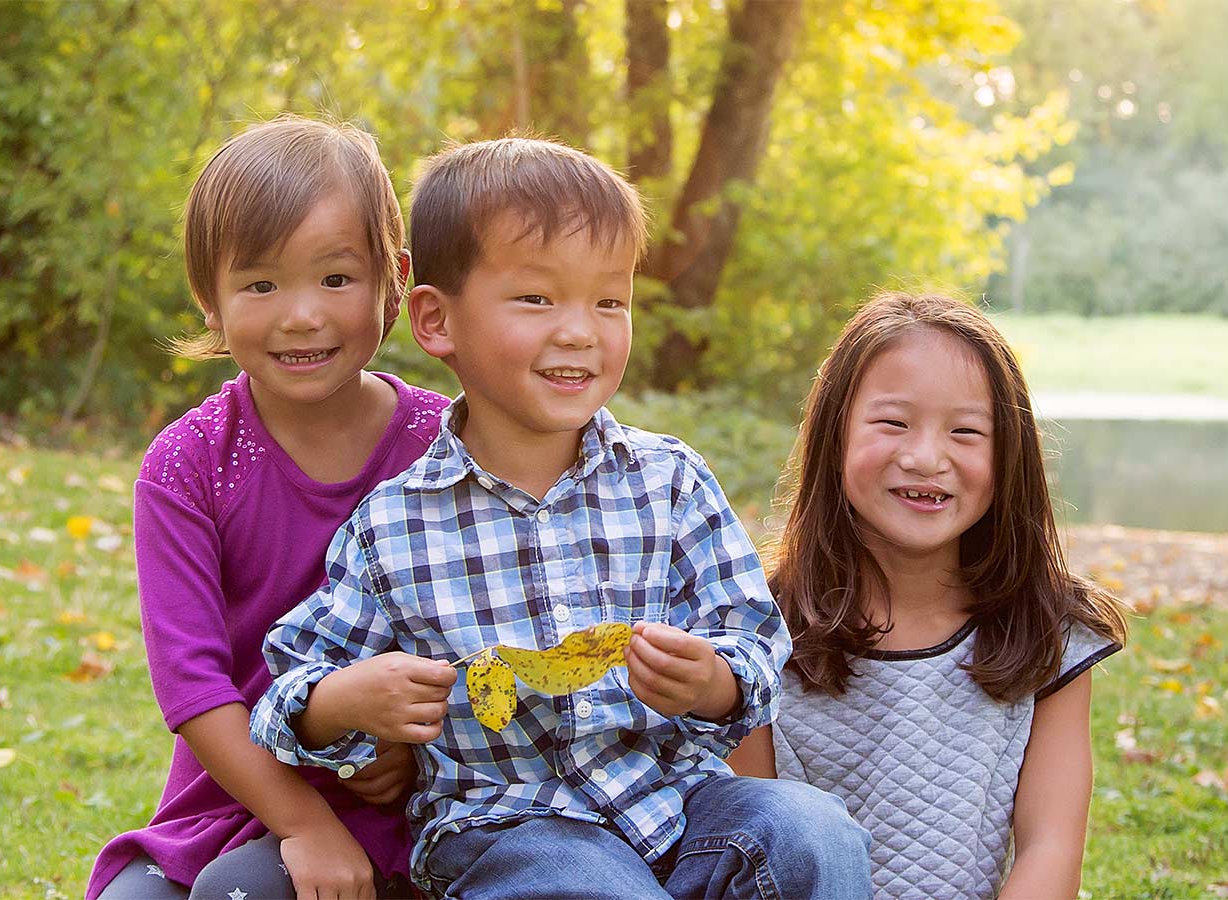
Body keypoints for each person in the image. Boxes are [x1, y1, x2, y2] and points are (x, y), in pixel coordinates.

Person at [249, 136, 872, 900]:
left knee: (812, 831)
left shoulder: (669, 482)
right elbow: (286, 692)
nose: (581, 330)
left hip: (677, 804)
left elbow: (753, 643)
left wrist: (710, 681)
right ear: (437, 320)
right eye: (537, 299)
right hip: (511, 828)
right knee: (584, 882)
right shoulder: (394, 528)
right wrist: (343, 701)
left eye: (609, 301)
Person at [87, 114, 450, 900]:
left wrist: (404, 753)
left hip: (404, 802)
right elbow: (194, 690)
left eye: (335, 278)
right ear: (209, 300)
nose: (301, 315)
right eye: (260, 284)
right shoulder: (188, 467)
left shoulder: (446, 449)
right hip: (234, 795)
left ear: (394, 279)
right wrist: (300, 822)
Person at [728, 291, 1129, 899]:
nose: (925, 458)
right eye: (893, 423)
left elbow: (1052, 845)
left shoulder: (1048, 632)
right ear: (834, 435)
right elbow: (753, 851)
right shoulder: (754, 626)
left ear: (1009, 455)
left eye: (966, 432)